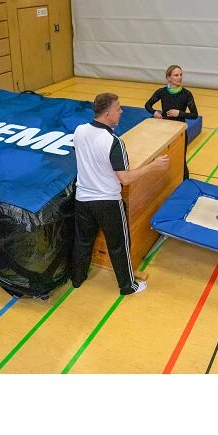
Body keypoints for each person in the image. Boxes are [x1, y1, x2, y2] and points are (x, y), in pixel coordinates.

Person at [72, 93, 170, 295]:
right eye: (118, 108)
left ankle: (77, 278)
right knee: (119, 245)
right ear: (107, 114)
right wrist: (153, 166)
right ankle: (127, 286)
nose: (121, 111)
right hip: (107, 202)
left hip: (82, 199)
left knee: (83, 241)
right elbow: (125, 179)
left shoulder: (79, 130)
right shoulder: (113, 142)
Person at [145, 64, 198, 179]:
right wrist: (155, 113)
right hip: (165, 131)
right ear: (168, 78)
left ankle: (184, 181)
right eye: (176, 75)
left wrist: (180, 113)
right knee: (164, 158)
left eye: (181, 75)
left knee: (181, 159)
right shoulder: (161, 92)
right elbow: (148, 105)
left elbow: (194, 115)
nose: (179, 77)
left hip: (180, 132)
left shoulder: (186, 94)